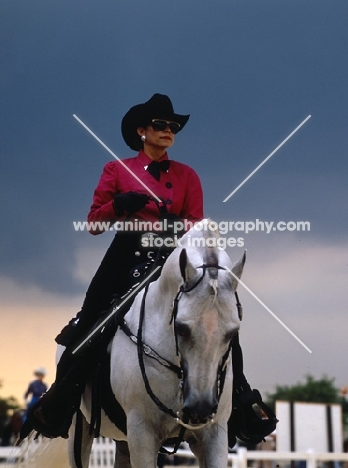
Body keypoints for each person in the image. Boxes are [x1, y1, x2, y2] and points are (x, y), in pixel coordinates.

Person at [20, 93, 276, 445]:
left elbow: (197, 224)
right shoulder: (116, 170)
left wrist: (177, 227)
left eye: (173, 127)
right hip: (128, 251)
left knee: (219, 318)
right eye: (161, 125)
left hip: (175, 256)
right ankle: (60, 401)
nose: (169, 131)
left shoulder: (188, 175)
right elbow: (94, 223)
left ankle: (241, 404)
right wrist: (118, 205)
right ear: (142, 130)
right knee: (91, 320)